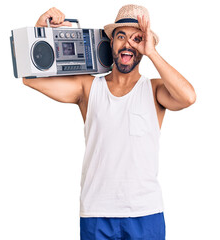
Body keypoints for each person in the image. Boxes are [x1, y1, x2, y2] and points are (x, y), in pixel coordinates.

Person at [23, 4, 196, 240]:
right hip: (96, 213)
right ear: (110, 42)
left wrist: (152, 53)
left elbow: (188, 97)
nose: (128, 44)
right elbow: (30, 79)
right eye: (121, 37)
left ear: (145, 44)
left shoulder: (155, 90)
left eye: (137, 39)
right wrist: (41, 29)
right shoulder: (88, 87)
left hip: (145, 213)